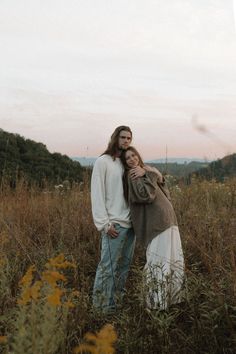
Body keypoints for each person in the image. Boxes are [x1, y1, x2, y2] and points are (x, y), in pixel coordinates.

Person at [120, 146, 184, 310]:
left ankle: (172, 299)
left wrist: (153, 173)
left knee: (173, 259)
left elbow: (165, 191)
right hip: (155, 223)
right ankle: (155, 304)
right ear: (125, 163)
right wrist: (152, 173)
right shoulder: (133, 174)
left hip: (168, 219)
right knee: (158, 261)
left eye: (134, 155)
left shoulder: (144, 169)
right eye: (128, 158)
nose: (132, 159)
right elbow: (145, 195)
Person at [91, 126, 136, 313]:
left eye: (129, 138)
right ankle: (101, 309)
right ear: (115, 138)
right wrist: (103, 224)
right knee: (107, 268)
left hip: (131, 224)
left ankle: (116, 304)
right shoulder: (103, 161)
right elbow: (97, 194)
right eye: (123, 137)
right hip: (114, 224)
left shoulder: (126, 162)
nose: (126, 141)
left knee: (124, 266)